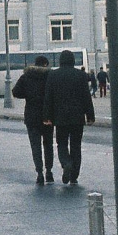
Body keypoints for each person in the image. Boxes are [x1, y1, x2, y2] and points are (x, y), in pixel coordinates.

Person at [43, 49, 95, 185]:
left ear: (60, 61)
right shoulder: (81, 75)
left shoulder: (53, 75)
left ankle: (66, 163)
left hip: (60, 118)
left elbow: (48, 97)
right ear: (73, 60)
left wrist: (47, 116)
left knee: (62, 144)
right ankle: (74, 175)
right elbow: (86, 97)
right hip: (77, 117)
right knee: (76, 146)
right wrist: (90, 116)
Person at [13, 55, 55, 185]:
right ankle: (49, 171)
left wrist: (28, 94)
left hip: (31, 116)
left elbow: (16, 92)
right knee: (48, 144)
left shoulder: (26, 76)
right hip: (47, 115)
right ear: (45, 64)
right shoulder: (50, 76)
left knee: (35, 145)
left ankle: (39, 173)